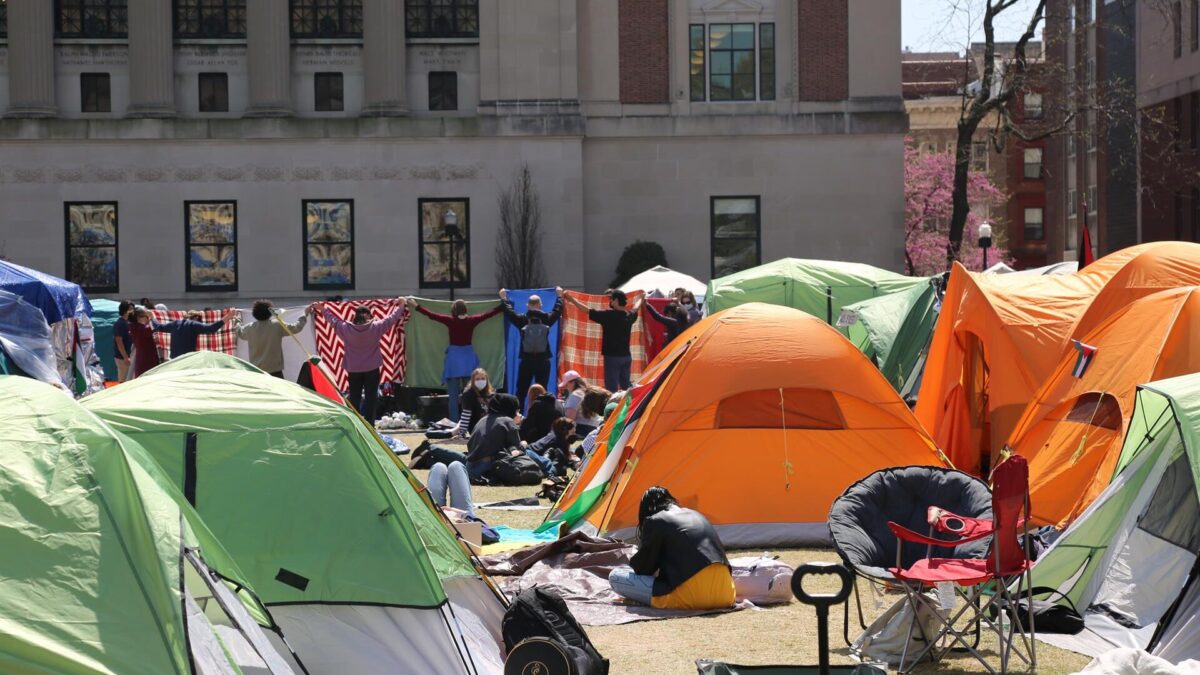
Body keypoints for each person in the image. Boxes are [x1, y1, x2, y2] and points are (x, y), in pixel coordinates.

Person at [609, 486, 736, 610]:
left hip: (691, 597)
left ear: (647, 510)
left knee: (615, 576)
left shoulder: (655, 521)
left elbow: (642, 569)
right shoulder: (696, 514)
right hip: (726, 595)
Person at [409, 297, 504, 422]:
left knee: (453, 397)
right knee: (471, 394)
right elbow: (488, 314)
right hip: (468, 360)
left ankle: (454, 422)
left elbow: (432, 315)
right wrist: (504, 303)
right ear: (465, 309)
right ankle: (471, 421)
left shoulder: (450, 321)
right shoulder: (472, 320)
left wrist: (416, 306)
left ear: (453, 310)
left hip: (453, 360)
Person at [319, 300, 407, 421]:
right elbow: (391, 318)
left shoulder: (345, 328)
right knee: (371, 397)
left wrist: (322, 309)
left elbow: (332, 320)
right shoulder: (376, 327)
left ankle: (356, 424)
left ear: (355, 315)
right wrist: (402, 306)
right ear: (369, 315)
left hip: (353, 369)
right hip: (372, 368)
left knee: (354, 397)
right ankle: (370, 425)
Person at [428, 393, 523, 481]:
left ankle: (432, 449)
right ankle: (432, 450)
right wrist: (517, 428)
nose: (518, 412)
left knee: (463, 458)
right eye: (517, 409)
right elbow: (515, 450)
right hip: (483, 470)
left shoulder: (484, 419)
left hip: (470, 466)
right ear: (510, 408)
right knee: (528, 452)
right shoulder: (508, 422)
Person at [566, 289, 641, 392]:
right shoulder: (629, 315)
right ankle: (629, 406)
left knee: (611, 388)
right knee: (626, 387)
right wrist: (641, 298)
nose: (610, 302)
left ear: (616, 300)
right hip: (626, 356)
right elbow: (636, 308)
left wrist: (571, 299)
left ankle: (612, 408)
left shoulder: (608, 315)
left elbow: (587, 310)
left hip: (612, 357)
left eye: (611, 299)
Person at [500, 288, 565, 403]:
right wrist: (559, 296)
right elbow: (558, 310)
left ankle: (517, 415)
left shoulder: (522, 319)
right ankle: (542, 415)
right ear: (540, 305)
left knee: (521, 391)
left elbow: (509, 312)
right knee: (542, 391)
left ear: (528, 305)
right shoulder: (547, 319)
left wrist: (504, 298)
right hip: (543, 360)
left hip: (526, 360)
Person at [236, 300, 314, 377]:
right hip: (275, 372)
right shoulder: (276, 325)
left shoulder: (249, 328)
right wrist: (305, 314)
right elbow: (296, 327)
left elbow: (239, 332)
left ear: (254, 313)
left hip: (257, 372)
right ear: (270, 313)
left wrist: (237, 319)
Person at [156, 309, 236, 359]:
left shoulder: (175, 323)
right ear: (196, 318)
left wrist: (152, 317)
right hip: (188, 358)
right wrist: (228, 317)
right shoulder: (194, 324)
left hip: (174, 359)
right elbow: (211, 328)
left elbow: (159, 327)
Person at [454, 367, 494, 437]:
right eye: (477, 379)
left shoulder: (491, 394)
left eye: (483, 379)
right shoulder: (469, 393)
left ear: (487, 380)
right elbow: (466, 414)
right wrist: (462, 433)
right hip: (476, 428)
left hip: (490, 426)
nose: (480, 381)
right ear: (473, 380)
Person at [127, 307, 162, 377]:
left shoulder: (134, 327)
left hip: (142, 358)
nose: (147, 318)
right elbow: (156, 327)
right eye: (145, 316)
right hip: (147, 359)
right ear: (139, 318)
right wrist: (152, 318)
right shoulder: (141, 328)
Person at [113, 301, 134, 382]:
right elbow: (119, 342)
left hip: (129, 355)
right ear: (125, 310)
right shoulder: (119, 324)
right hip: (122, 357)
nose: (133, 311)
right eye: (131, 309)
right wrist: (125, 357)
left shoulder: (128, 322)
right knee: (123, 380)